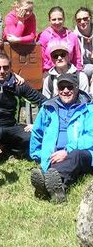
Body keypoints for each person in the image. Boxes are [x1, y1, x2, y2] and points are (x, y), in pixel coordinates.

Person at [30, 73, 93, 203]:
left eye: (69, 87)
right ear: (57, 89)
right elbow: (37, 132)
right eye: (61, 87)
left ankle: (47, 180)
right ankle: (59, 190)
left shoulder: (89, 108)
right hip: (54, 155)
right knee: (59, 166)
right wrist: (38, 155)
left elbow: (90, 136)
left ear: (77, 88)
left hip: (82, 153)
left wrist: (67, 150)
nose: (65, 91)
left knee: (76, 155)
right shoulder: (47, 107)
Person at [0, 53, 46, 155]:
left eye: (5, 67)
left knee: (32, 138)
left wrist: (36, 124)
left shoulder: (19, 85)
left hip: (10, 127)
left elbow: (45, 102)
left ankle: (8, 149)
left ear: (10, 67)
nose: (2, 71)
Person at [38, 6, 82, 73]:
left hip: (69, 72)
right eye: (54, 19)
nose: (57, 22)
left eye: (60, 19)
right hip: (50, 72)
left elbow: (77, 58)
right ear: (49, 20)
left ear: (64, 19)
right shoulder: (44, 36)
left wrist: (78, 73)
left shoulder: (72, 36)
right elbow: (40, 57)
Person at [74, 7, 93, 79]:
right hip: (83, 69)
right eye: (79, 20)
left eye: (85, 19)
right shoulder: (73, 37)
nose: (82, 22)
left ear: (90, 18)